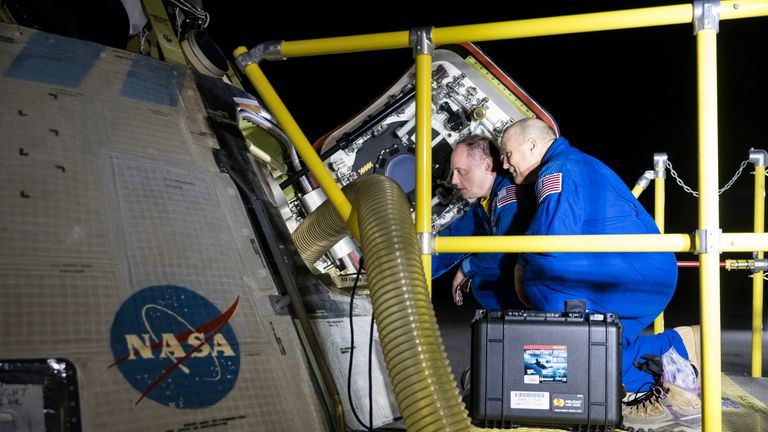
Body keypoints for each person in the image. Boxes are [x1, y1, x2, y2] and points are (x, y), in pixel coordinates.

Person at [499, 118, 701, 428]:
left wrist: (521, 263)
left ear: (532, 145)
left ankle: (605, 390)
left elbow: (552, 240)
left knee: (543, 277)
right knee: (612, 343)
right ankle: (677, 346)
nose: (504, 163)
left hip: (633, 275)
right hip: (648, 274)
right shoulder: (575, 162)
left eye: (507, 152)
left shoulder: (557, 169)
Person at [432, 134, 534, 310]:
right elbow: (449, 242)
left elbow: (506, 249)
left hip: (542, 279)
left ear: (487, 165)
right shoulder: (484, 205)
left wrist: (466, 267)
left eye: (460, 171)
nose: (454, 180)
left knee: (485, 281)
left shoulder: (508, 195)